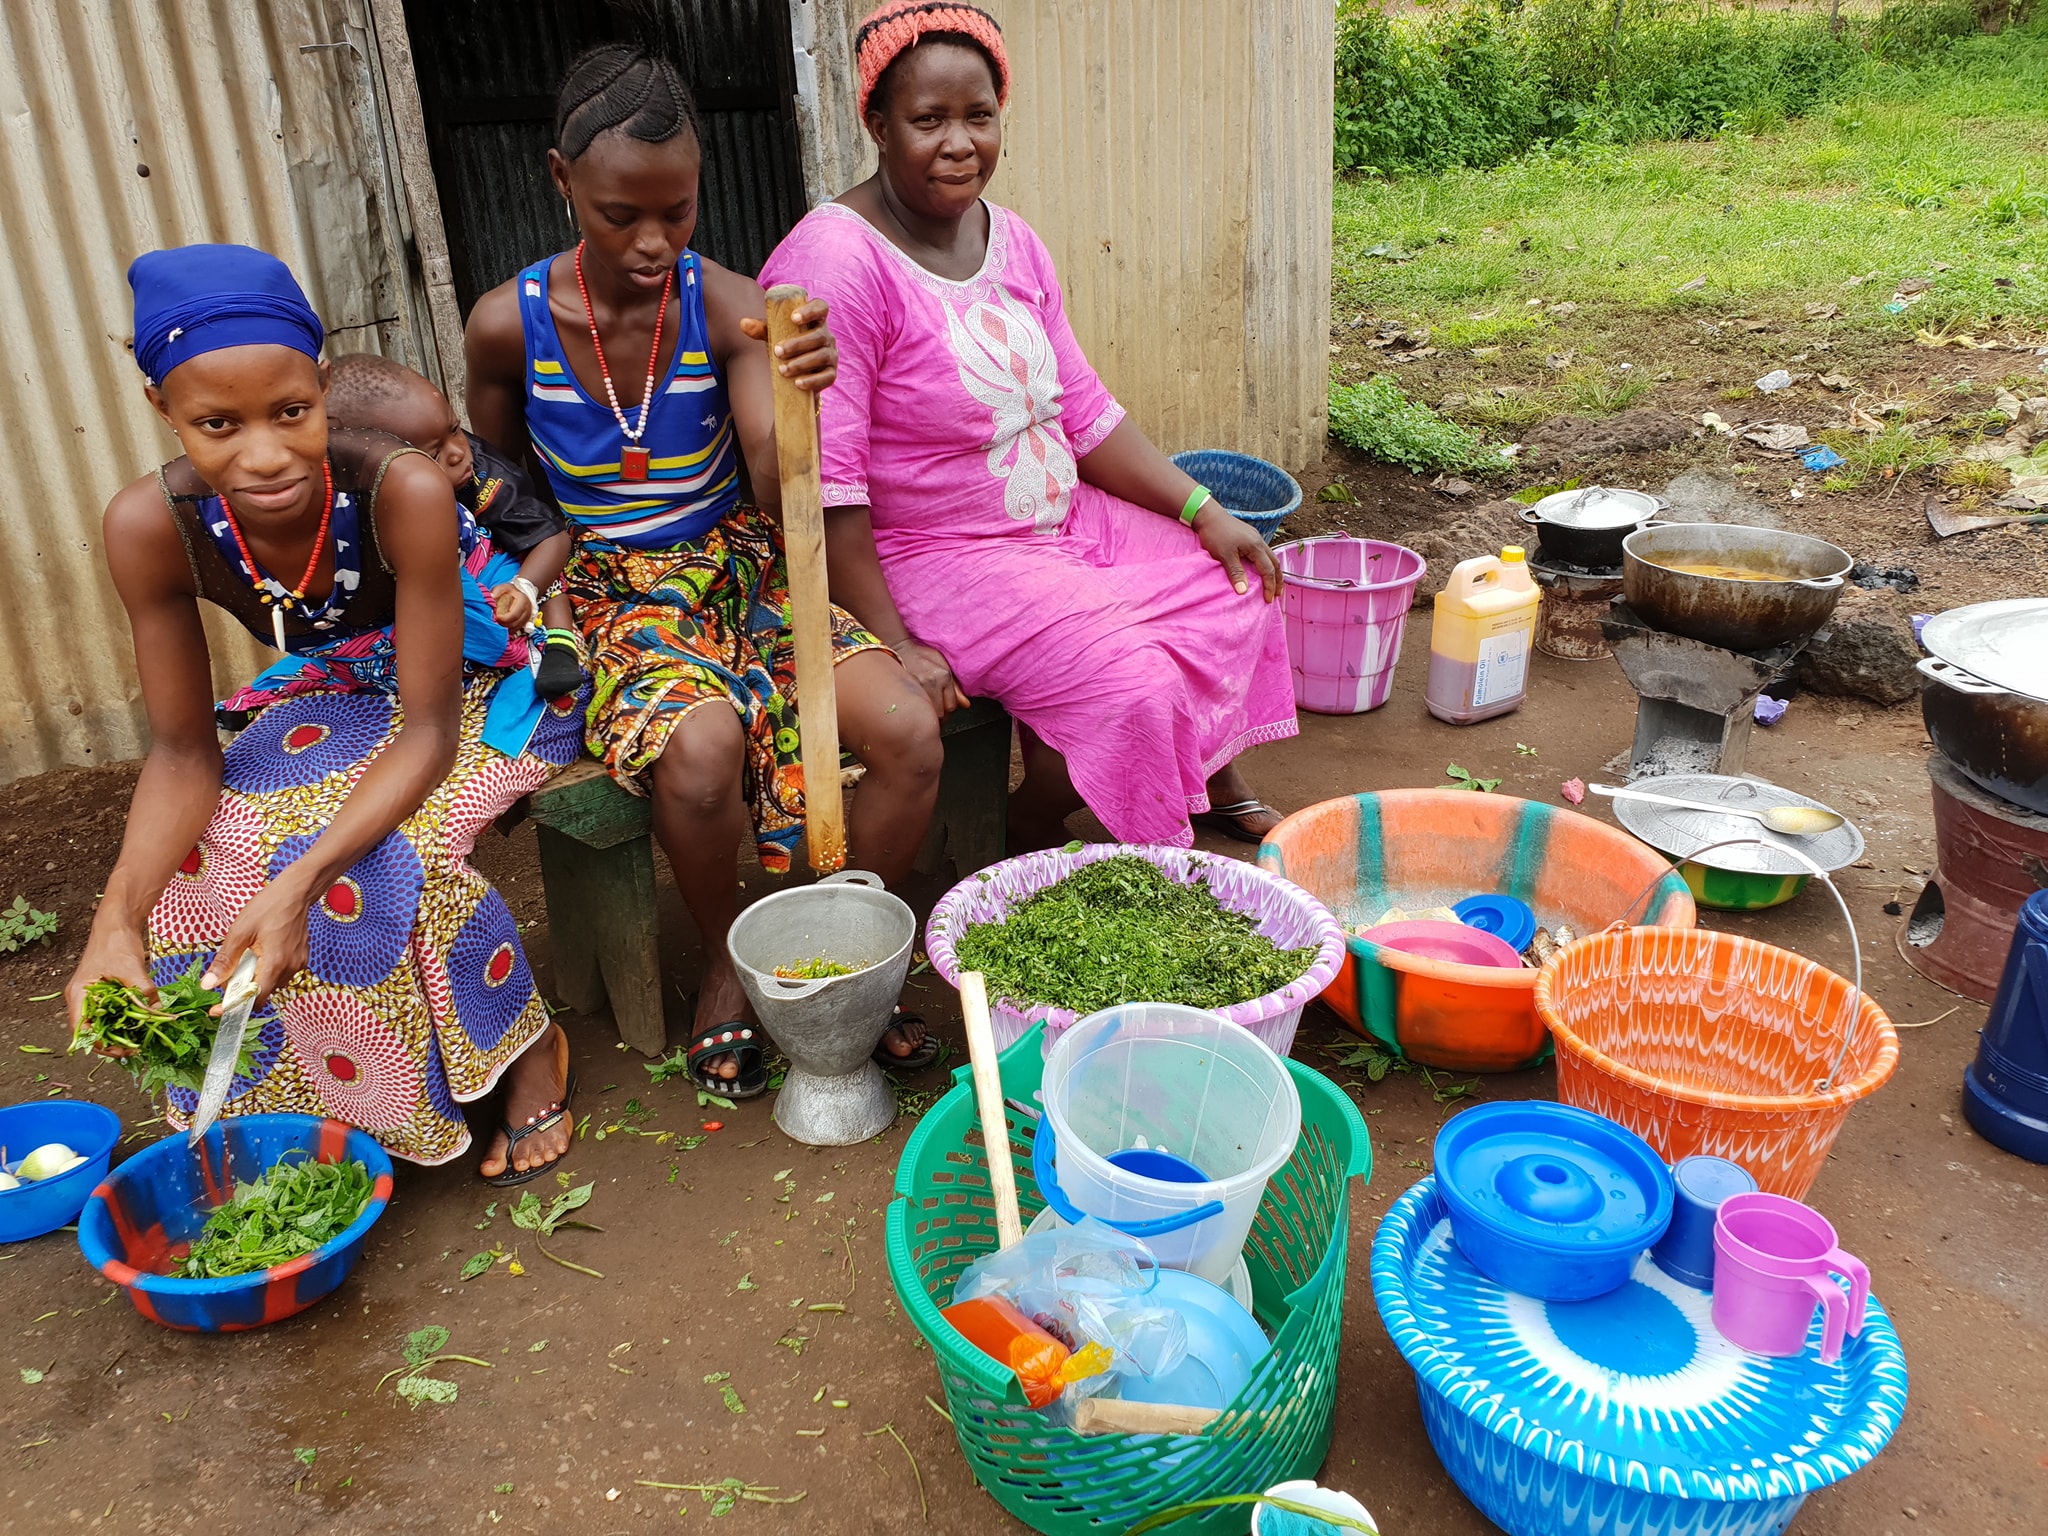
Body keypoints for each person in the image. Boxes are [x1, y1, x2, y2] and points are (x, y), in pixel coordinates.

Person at [464, 45, 944, 1098]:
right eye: (616, 214)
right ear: (558, 181)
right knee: (702, 748)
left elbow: (777, 488)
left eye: (675, 212)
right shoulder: (509, 326)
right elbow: (500, 494)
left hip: (745, 571)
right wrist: (511, 629)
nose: (650, 242)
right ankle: (733, 967)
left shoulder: (734, 307)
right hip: (607, 592)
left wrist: (796, 391)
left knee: (908, 731)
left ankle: (842, 958)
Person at [64, 244, 588, 1184]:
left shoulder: (402, 489)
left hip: (474, 685)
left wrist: (302, 881)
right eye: (217, 425)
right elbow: (184, 754)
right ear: (163, 410)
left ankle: (522, 1051)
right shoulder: (150, 526)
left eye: (292, 413)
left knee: (394, 858)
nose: (264, 456)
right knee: (206, 849)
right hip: (340, 687)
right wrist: (117, 915)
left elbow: (428, 732)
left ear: (319, 388)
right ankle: (299, 1104)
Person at [759, 1, 1297, 854]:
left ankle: (1186, 780)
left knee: (1237, 581)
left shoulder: (1012, 239)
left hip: (1064, 523)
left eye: (979, 116)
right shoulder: (838, 261)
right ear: (876, 122)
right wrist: (893, 638)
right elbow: (830, 485)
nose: (959, 142)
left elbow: (1082, 412)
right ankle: (1041, 819)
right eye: (926, 120)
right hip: (942, 554)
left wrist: (1203, 509)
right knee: (1133, 684)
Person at [326, 353, 586, 698]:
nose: (457, 452)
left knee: (545, 569)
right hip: (422, 598)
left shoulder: (484, 476)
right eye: (432, 453)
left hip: (504, 571)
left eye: (453, 429)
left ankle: (560, 641)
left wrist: (525, 587)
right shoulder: (349, 498)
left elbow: (550, 539)